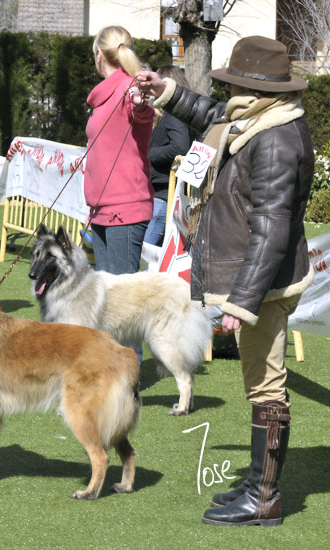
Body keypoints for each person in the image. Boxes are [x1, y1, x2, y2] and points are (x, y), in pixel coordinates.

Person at [136, 36, 314, 527]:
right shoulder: (258, 117)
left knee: (266, 386)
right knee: (259, 382)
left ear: (258, 89)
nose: (228, 90)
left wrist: (242, 300)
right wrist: (167, 93)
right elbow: (213, 112)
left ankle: (264, 498)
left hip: (265, 284)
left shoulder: (276, 138)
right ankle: (258, 482)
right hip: (257, 278)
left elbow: (272, 228)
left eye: (236, 82)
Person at [85, 26, 154, 275]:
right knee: (105, 293)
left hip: (125, 210)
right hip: (100, 210)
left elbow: (139, 108)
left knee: (123, 295)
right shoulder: (103, 96)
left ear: (99, 55)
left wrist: (139, 103)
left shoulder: (129, 87)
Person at [144, 65, 196, 247]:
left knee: (143, 256)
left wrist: (149, 154)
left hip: (163, 196)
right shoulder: (181, 114)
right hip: (166, 194)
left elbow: (180, 147)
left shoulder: (175, 115)